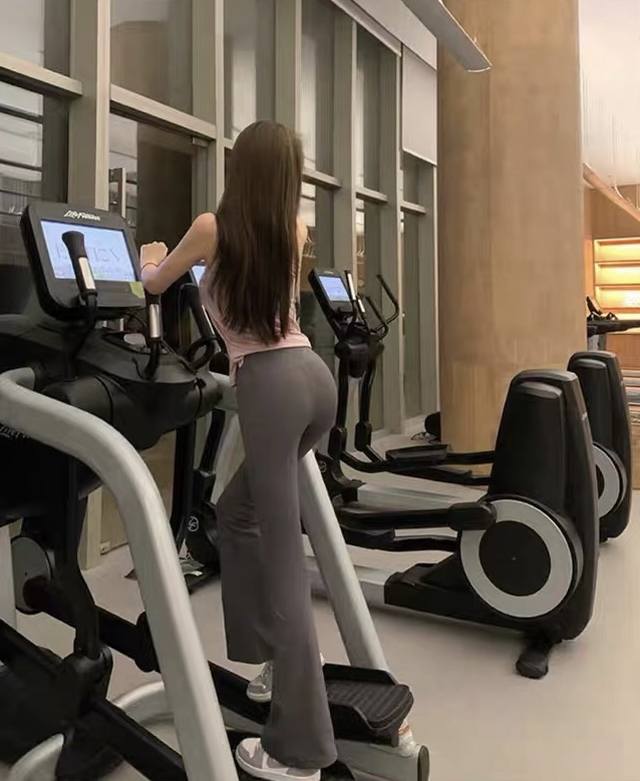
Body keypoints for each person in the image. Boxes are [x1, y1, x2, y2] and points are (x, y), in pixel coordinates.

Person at [140, 120, 338, 781]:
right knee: (236, 511)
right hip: (314, 380)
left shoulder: (211, 227)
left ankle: (298, 750)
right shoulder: (294, 230)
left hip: (271, 388)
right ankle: (273, 659)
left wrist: (149, 258)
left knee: (284, 565)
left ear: (238, 168)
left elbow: (155, 286)